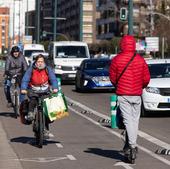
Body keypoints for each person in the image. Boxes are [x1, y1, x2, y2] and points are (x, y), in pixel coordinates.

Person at [109, 35, 150, 162]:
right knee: (134, 120)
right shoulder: (140, 60)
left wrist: (119, 85)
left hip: (123, 95)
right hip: (137, 95)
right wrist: (139, 86)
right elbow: (146, 79)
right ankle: (132, 145)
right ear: (133, 45)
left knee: (128, 121)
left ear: (122, 45)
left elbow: (113, 77)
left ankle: (132, 146)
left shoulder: (116, 59)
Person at [20, 54, 58, 138]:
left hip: (45, 91)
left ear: (44, 62)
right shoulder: (31, 69)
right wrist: (23, 88)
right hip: (33, 90)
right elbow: (25, 79)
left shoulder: (48, 69)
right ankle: (30, 113)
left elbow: (53, 79)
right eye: (38, 61)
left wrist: (55, 88)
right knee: (33, 100)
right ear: (35, 62)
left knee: (46, 110)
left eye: (41, 61)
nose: (40, 63)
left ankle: (46, 130)